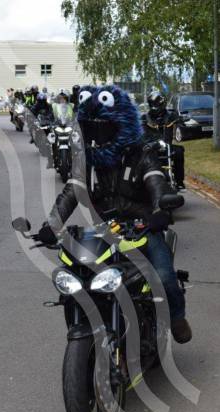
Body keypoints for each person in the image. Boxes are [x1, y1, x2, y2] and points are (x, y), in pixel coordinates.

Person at [36, 85, 192, 344]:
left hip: (142, 228)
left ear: (119, 124)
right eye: (91, 127)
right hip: (104, 229)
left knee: (163, 277)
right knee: (79, 276)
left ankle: (176, 317)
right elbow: (72, 191)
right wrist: (51, 226)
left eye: (103, 126)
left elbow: (156, 182)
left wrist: (160, 209)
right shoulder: (88, 161)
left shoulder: (142, 153)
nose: (97, 134)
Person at [142, 91, 185, 190]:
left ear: (162, 103)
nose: (154, 106)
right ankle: (137, 181)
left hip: (167, 146)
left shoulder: (171, 115)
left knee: (179, 152)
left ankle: (179, 182)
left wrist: (181, 120)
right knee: (138, 154)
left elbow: (180, 123)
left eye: (156, 104)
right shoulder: (145, 117)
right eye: (152, 104)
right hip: (151, 147)